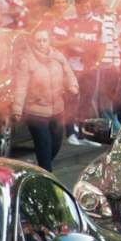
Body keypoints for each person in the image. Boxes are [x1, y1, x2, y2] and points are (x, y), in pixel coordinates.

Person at [10, 27, 77, 171]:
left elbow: (68, 74)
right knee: (44, 143)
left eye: (44, 40)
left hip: (57, 108)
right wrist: (17, 109)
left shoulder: (58, 57)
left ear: (49, 41)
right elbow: (21, 86)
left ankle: (40, 169)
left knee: (56, 142)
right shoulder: (27, 61)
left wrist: (73, 86)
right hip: (35, 111)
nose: (41, 43)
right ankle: (47, 174)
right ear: (33, 42)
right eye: (38, 41)